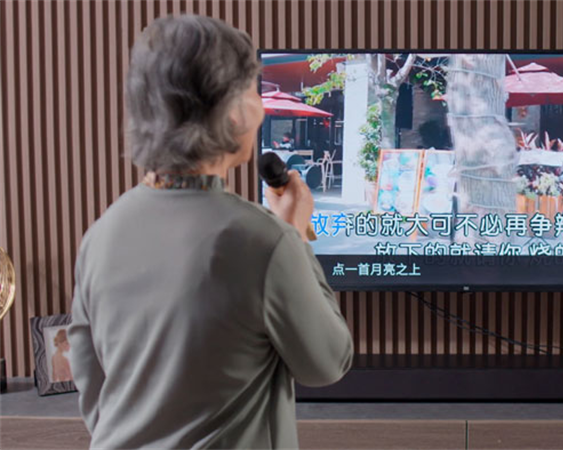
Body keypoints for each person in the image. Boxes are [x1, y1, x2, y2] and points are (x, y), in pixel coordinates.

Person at [67, 15, 353, 450]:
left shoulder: (101, 234)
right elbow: (328, 362)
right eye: (253, 91)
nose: (260, 107)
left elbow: (95, 395)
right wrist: (294, 233)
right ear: (233, 111)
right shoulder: (263, 241)